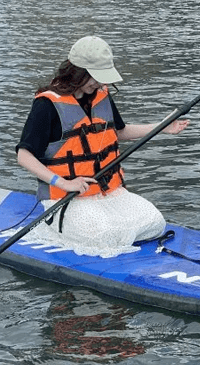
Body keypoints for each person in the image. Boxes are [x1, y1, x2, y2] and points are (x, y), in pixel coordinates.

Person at [15, 36, 189, 257]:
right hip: (65, 197)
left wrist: (162, 127)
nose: (98, 83)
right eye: (94, 77)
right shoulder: (46, 105)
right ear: (77, 72)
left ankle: (105, 224)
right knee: (105, 236)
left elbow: (118, 132)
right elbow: (24, 156)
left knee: (154, 223)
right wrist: (65, 183)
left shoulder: (101, 95)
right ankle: (59, 227)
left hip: (107, 192)